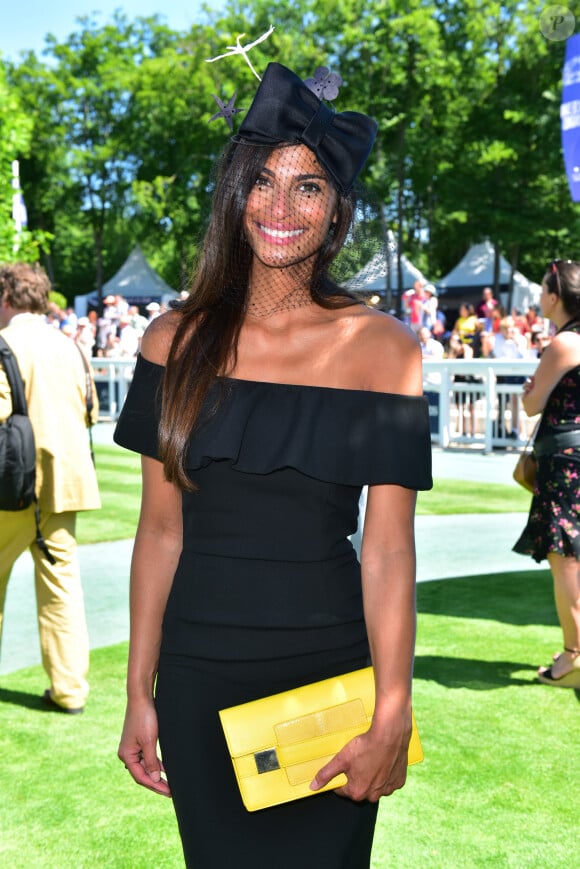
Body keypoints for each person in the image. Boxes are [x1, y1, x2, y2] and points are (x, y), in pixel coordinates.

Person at [114, 61, 432, 868]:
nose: (280, 208)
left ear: (336, 213)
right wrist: (135, 690)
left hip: (326, 683)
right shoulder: (170, 341)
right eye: (263, 181)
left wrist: (392, 705)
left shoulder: (384, 350)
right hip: (196, 681)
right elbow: (158, 533)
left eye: (309, 187)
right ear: (234, 194)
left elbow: (390, 547)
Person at [0, 263, 101, 712]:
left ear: (6, 297)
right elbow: (91, 411)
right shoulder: (72, 346)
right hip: (63, 486)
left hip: (11, 486)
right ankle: (69, 691)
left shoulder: (5, 344)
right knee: (61, 590)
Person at [513, 259, 580, 688]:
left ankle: (574, 656)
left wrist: (530, 391)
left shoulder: (565, 344)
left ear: (555, 297)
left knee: (567, 561)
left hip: (566, 460)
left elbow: (531, 404)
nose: (539, 297)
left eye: (542, 290)